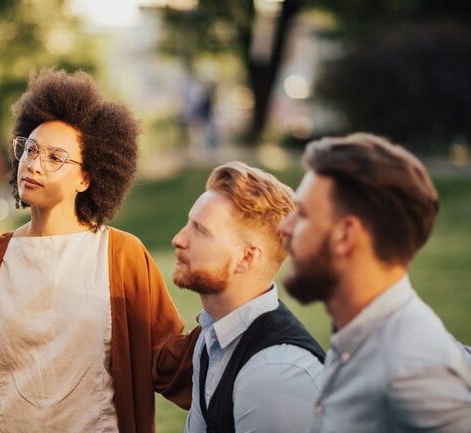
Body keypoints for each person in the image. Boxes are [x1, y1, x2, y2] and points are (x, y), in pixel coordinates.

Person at [0, 69, 195, 433]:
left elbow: (167, 361)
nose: (34, 164)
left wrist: (234, 314)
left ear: (86, 177)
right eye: (31, 149)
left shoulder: (122, 256)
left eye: (55, 157)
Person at [279, 133, 471, 433]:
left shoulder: (412, 373)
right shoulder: (355, 336)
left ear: (346, 235)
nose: (284, 227)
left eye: (302, 214)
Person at [173, 162, 325, 433]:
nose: (178, 239)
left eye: (200, 230)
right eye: (188, 224)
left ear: (246, 258)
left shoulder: (276, 372)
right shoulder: (211, 338)